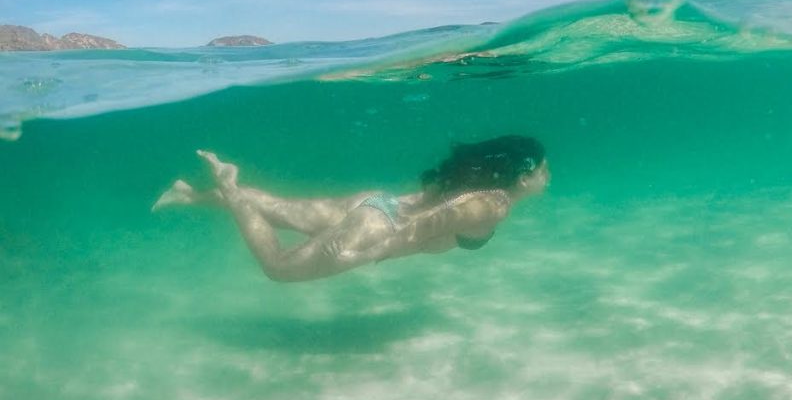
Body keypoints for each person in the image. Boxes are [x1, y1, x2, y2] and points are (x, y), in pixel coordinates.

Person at [153, 135, 550, 283]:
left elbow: (430, 216)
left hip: (375, 204)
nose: (548, 175)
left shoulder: (480, 189)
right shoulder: (492, 205)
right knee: (278, 268)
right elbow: (420, 229)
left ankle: (187, 194)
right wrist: (362, 253)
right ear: (523, 176)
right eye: (544, 169)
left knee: (277, 209)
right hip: (380, 226)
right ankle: (229, 186)